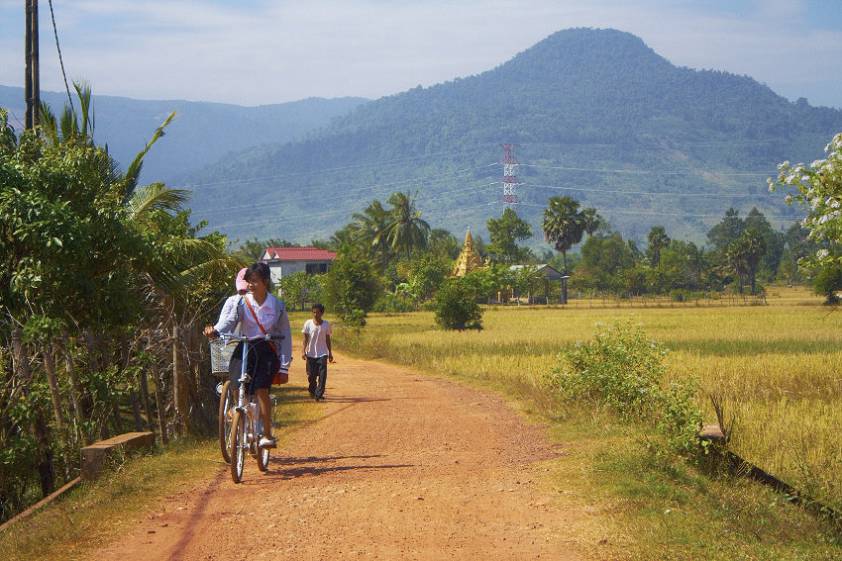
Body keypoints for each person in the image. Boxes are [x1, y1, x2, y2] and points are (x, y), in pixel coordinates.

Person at [204, 263, 291, 448]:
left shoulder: (278, 306)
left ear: (265, 282)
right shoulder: (241, 303)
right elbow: (229, 321)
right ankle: (243, 418)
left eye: (254, 281)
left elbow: (286, 336)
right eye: (249, 282)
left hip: (266, 350)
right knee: (236, 383)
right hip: (245, 347)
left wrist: (284, 365)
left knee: (261, 389)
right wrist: (215, 330)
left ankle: (267, 435)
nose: (250, 285)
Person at [301, 303, 334, 401]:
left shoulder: (326, 324)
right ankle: (313, 390)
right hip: (311, 354)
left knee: (323, 375)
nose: (315, 314)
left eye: (318, 312)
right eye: (314, 312)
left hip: (322, 354)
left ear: (322, 313)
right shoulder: (308, 323)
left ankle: (319, 394)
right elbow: (305, 339)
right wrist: (303, 351)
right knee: (311, 375)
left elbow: (328, 339)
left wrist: (330, 353)